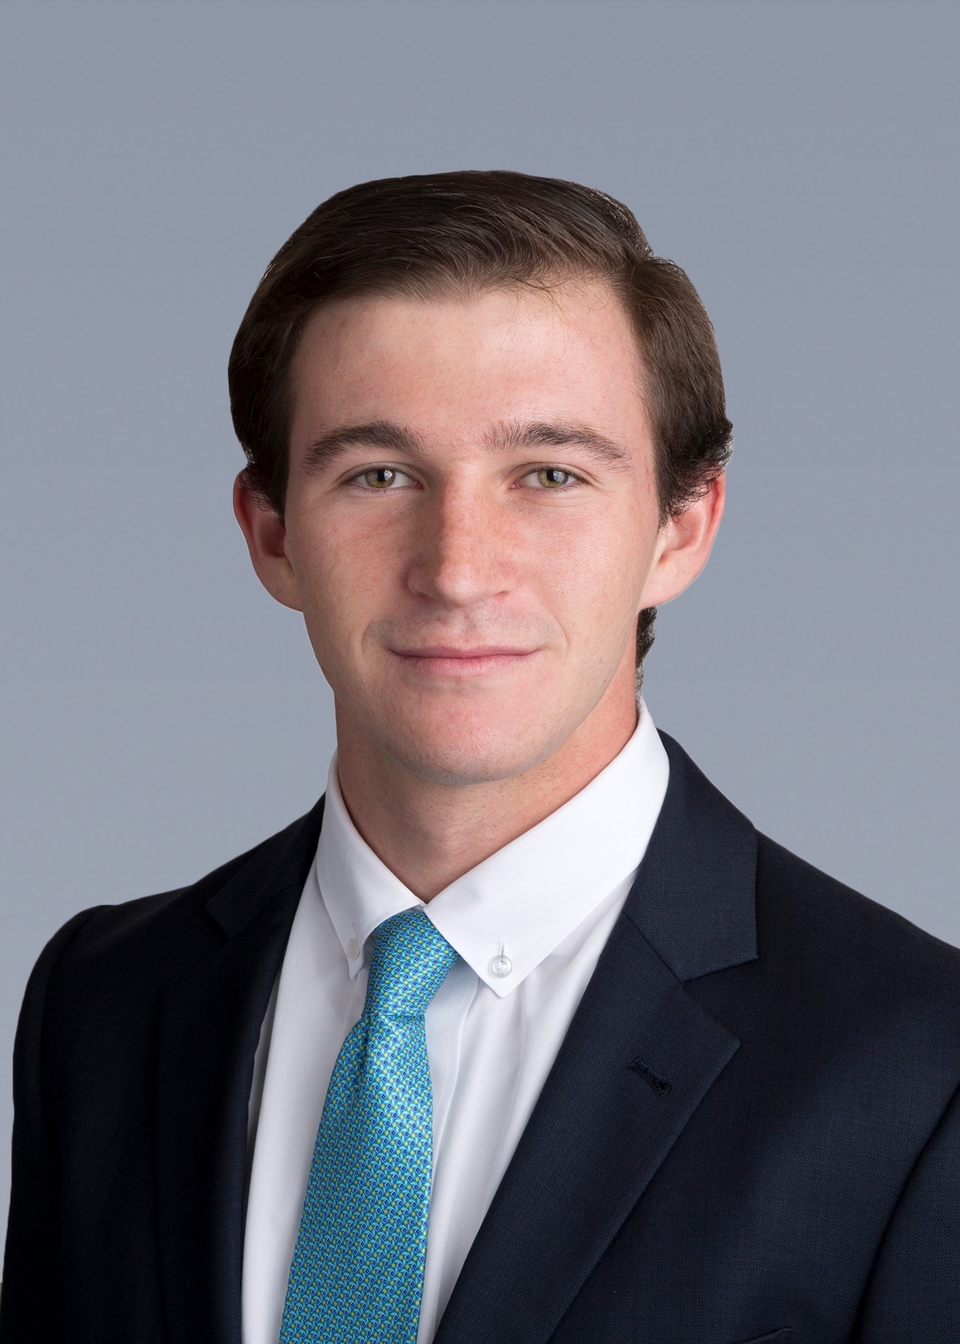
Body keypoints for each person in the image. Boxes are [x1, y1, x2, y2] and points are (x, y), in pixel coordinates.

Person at [2, 171, 959, 1344]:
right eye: (378, 475)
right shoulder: (101, 1003)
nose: (457, 568)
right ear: (272, 536)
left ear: (681, 527)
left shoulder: (919, 1064)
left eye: (550, 475)